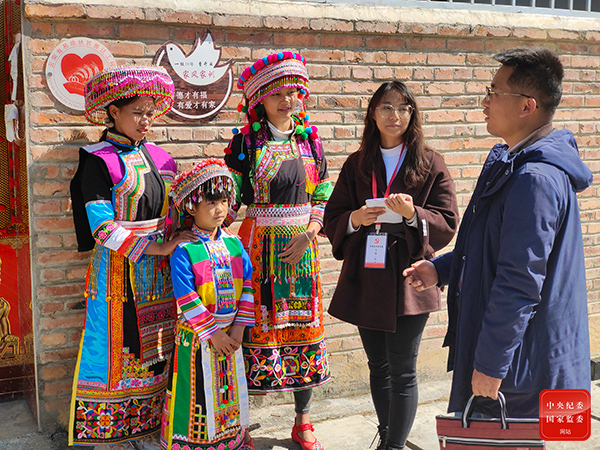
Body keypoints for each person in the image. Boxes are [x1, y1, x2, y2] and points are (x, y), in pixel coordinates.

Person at [404, 47, 593, 419]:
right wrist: (442, 269)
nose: (485, 101)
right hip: (515, 360)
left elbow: (519, 281)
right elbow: (490, 246)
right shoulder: (511, 163)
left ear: (527, 106)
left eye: (494, 92)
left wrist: (491, 364)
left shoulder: (535, 180)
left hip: (522, 370)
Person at [323, 81, 459, 450]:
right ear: (372, 113)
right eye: (385, 107)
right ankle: (386, 437)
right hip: (366, 273)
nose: (394, 115)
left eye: (403, 108)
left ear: (412, 115)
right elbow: (333, 216)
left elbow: (448, 221)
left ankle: (395, 447)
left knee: (402, 369)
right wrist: (355, 219)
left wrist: (414, 214)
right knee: (378, 366)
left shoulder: (429, 162)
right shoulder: (357, 163)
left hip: (408, 277)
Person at [69, 66, 196, 449]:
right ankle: (114, 433)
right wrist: (157, 247)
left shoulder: (161, 158)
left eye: (150, 112)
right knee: (121, 346)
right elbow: (102, 227)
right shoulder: (98, 160)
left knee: (157, 347)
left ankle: (152, 425)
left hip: (160, 273)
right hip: (117, 273)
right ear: (113, 112)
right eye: (137, 112)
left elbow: (174, 211)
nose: (146, 120)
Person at [224, 51, 332, 450]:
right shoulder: (246, 143)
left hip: (302, 253)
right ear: (260, 100)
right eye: (277, 94)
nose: (287, 101)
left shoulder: (310, 140)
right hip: (258, 250)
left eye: (293, 93)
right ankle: (240, 425)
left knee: (304, 330)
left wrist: (311, 231)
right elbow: (230, 198)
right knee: (250, 331)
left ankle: (303, 421)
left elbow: (322, 193)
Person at [160, 158, 255, 450]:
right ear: (191, 207)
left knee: (229, 390)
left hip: (231, 335)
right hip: (197, 338)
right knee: (197, 393)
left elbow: (247, 285)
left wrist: (238, 328)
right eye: (211, 203)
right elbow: (186, 297)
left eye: (224, 202)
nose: (219, 209)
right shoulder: (184, 250)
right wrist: (214, 334)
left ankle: (231, 440)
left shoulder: (234, 244)